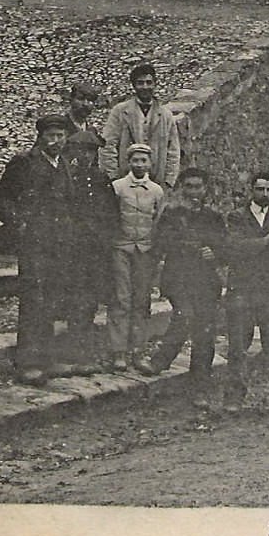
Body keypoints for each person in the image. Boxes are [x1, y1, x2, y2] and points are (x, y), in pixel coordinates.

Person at [0, 114, 78, 384]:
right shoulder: (24, 163)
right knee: (33, 301)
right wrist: (20, 224)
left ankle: (48, 358)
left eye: (60, 136)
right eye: (50, 136)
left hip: (59, 243)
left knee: (52, 299)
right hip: (34, 244)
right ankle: (28, 362)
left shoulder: (64, 164)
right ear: (40, 137)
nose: (55, 141)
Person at [137, 167, 228, 409]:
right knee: (185, 316)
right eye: (188, 187)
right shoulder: (172, 214)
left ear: (206, 188)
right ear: (181, 189)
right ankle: (160, 360)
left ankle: (199, 387)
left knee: (204, 334)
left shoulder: (214, 217)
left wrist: (215, 253)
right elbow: (160, 244)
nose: (194, 192)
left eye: (198, 186)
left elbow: (226, 248)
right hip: (178, 278)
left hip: (206, 281)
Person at [61, 86, 117, 371]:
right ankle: (72, 352)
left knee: (90, 299)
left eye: (91, 151)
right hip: (73, 246)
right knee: (74, 297)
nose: (86, 156)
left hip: (95, 249)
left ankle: (82, 353)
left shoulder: (100, 179)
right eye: (80, 150)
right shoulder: (66, 180)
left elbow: (110, 215)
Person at [221, 170, 269, 404]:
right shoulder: (236, 216)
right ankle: (234, 398)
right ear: (251, 190)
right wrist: (266, 242)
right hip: (243, 288)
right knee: (238, 345)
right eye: (260, 189)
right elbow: (236, 247)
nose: (265, 194)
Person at [108, 143, 164, 371]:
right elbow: (111, 217)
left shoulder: (157, 191)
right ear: (128, 162)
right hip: (121, 248)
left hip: (145, 250)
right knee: (121, 299)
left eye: (144, 161)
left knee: (142, 300)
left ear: (150, 164)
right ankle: (118, 351)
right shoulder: (118, 187)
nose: (139, 164)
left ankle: (137, 350)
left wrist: (156, 251)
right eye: (135, 160)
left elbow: (158, 221)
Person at [99, 63, 181, 189]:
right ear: (134, 86)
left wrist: (168, 181)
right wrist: (113, 178)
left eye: (149, 82)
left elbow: (173, 151)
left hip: (156, 182)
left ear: (155, 84)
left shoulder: (166, 115)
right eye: (140, 83)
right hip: (125, 182)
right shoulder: (120, 111)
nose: (145, 87)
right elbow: (108, 146)